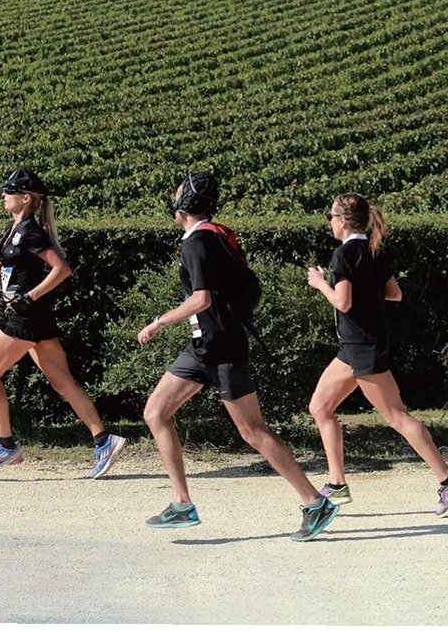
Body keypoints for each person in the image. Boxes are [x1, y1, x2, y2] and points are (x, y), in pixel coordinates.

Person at [136, 173, 338, 541]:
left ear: (184, 204)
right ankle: (182, 504)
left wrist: (158, 322)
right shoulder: (212, 235)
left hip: (223, 347)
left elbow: (201, 300)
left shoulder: (197, 242)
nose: (173, 196)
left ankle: (315, 503)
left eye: (178, 192)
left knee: (252, 431)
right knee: (155, 412)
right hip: (203, 346)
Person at [306, 192, 448, 516]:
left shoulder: (343, 255)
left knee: (397, 416)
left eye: (331, 217)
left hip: (363, 347)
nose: (330, 223)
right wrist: (366, 293)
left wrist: (320, 283)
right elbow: (394, 294)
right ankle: (337, 484)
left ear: (342, 221)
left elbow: (343, 303)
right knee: (320, 407)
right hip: (355, 347)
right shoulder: (374, 250)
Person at [0, 168, 126, 478]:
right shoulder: (16, 229)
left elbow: (61, 269)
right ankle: (104, 440)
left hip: (26, 317)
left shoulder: (30, 231)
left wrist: (29, 297)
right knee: (62, 382)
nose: (4, 196)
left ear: (26, 198)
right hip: (36, 317)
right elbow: (14, 267)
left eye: (9, 192)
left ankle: (6, 445)